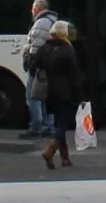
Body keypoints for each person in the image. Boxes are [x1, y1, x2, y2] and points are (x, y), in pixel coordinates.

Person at [35, 19, 84, 170]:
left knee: (58, 123)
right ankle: (50, 150)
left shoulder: (45, 48)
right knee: (62, 124)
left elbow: (34, 66)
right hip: (65, 93)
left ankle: (65, 159)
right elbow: (74, 77)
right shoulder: (68, 50)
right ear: (65, 34)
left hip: (49, 92)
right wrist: (80, 97)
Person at [18, 0, 59, 140]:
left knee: (33, 96)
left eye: (33, 8)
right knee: (45, 97)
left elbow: (35, 46)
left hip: (39, 67)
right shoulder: (52, 21)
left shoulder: (41, 22)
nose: (31, 11)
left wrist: (30, 63)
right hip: (48, 65)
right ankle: (49, 126)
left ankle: (36, 127)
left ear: (39, 8)